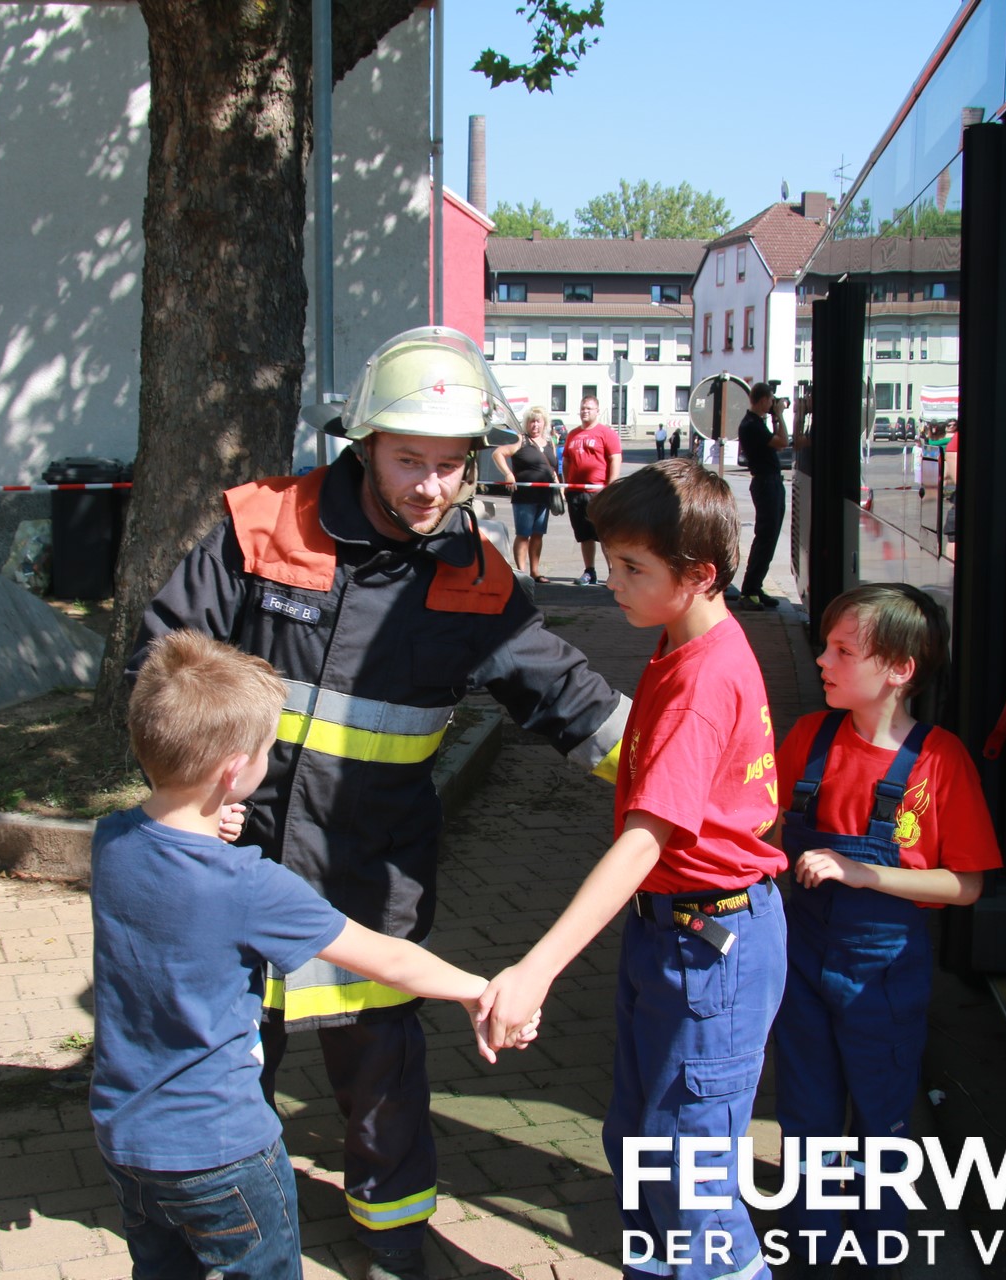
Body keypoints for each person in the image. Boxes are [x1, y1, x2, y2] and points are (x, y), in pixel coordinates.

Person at [129, 327, 630, 1280]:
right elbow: (162, 665)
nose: (432, 486)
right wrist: (186, 795)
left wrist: (689, 770)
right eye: (409, 460)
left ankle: (394, 1237)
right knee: (223, 1065)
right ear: (363, 446)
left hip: (373, 874)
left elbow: (571, 699)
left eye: (452, 464)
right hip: (231, 867)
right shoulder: (266, 528)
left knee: (382, 1076)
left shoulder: (475, 579)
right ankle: (220, 1223)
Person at [93, 630, 513, 1280]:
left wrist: (208, 818)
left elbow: (170, 844)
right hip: (223, 1153)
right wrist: (478, 988)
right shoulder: (248, 887)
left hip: (127, 1141)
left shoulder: (112, 842)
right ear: (233, 771)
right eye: (269, 749)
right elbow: (387, 959)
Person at [477, 459, 787, 1280]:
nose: (611, 582)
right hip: (678, 938)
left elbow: (646, 840)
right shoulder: (681, 643)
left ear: (701, 575)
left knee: (690, 1180)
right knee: (646, 1148)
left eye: (632, 568)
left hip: (709, 947)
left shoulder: (701, 682)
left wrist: (537, 969)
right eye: (611, 562)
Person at [769, 584, 1002, 1268]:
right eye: (825, 646)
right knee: (806, 1115)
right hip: (803, 959)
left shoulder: (940, 762)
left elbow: (966, 885)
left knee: (881, 1120)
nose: (823, 660)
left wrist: (864, 873)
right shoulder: (808, 740)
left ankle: (878, 1250)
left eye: (843, 650)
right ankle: (812, 1249)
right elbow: (767, 835)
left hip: (884, 973)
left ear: (900, 669)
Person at [736, 382, 790, 609]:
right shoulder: (752, 425)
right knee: (766, 537)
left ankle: (755, 586)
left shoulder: (756, 423)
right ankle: (749, 590)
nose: (772, 404)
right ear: (762, 400)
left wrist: (775, 417)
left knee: (770, 537)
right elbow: (783, 442)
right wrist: (780, 415)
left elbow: (778, 442)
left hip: (770, 482)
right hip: (766, 483)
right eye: (770, 400)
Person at [494, 407, 562, 581]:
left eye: (538, 421)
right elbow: (498, 453)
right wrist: (508, 474)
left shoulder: (550, 442)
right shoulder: (521, 440)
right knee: (523, 534)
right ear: (527, 423)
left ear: (544, 423)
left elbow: (553, 467)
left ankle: (535, 572)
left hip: (544, 496)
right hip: (524, 497)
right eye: (532, 421)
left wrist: (559, 487)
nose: (535, 425)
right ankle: (521, 574)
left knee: (538, 534)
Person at [563, 395, 624, 586]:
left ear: (597, 411)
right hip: (576, 492)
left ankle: (613, 572)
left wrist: (610, 486)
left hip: (598, 492)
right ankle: (589, 571)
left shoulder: (606, 433)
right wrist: (567, 485)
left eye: (589, 408)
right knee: (584, 535)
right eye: (583, 408)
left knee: (604, 534)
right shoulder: (573, 434)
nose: (585, 411)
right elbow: (566, 461)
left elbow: (615, 459)